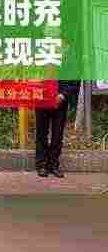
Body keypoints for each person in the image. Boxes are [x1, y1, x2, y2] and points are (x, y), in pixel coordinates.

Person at [35, 24, 80, 178]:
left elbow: (74, 76)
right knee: (41, 132)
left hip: (60, 99)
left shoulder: (67, 51)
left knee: (57, 134)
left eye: (54, 30)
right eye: (48, 30)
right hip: (41, 98)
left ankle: (54, 165)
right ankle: (41, 165)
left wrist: (62, 95)